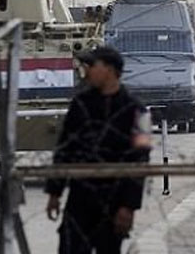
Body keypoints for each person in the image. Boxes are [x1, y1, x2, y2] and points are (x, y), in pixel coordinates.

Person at [45, 46, 152, 254]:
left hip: (115, 199)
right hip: (80, 198)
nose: (88, 71)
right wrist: (54, 192)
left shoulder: (137, 110)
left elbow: (140, 160)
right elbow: (65, 148)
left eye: (93, 65)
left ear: (110, 70)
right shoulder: (80, 104)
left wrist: (129, 206)